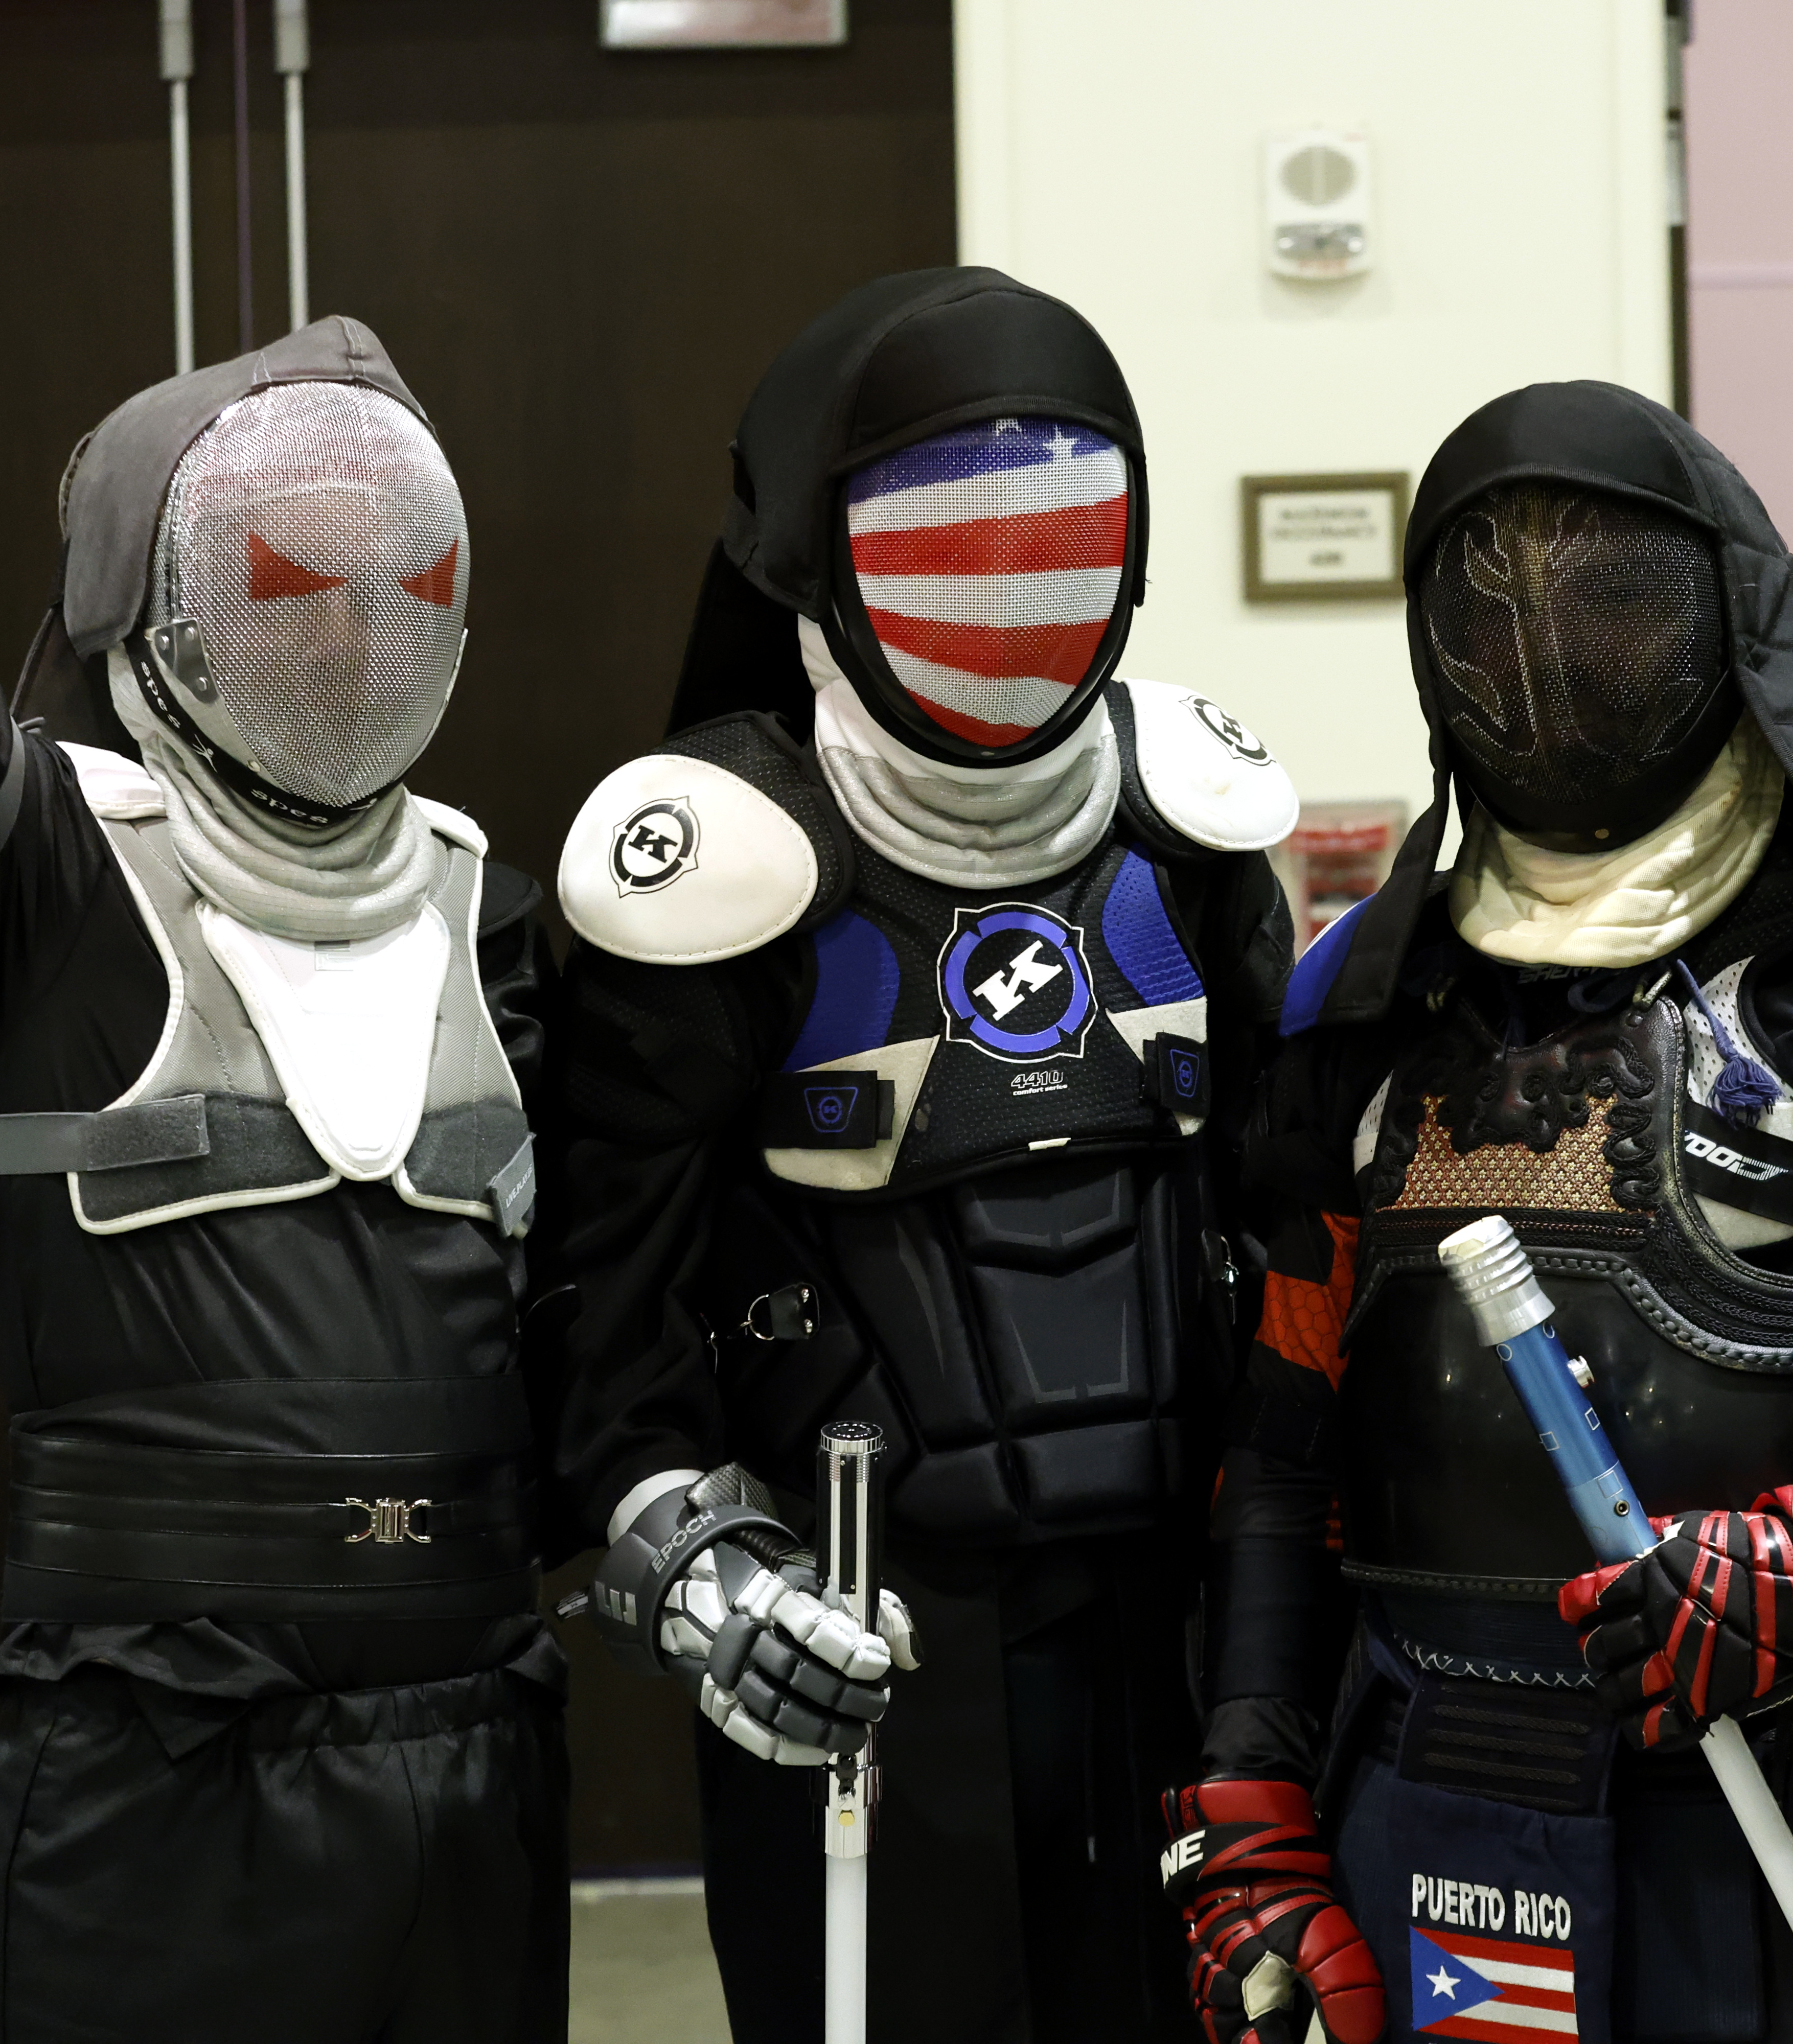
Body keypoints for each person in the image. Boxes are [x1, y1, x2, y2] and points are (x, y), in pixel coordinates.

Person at [1167, 379, 1793, 2044]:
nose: (1550, 657)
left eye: (1607, 599)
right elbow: (1288, 1439)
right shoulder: (1361, 1011)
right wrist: (1249, 1783)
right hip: (1433, 1789)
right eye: (1495, 610)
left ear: (1718, 617)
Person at [550, 265, 1300, 2043]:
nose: (1009, 580)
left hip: (1179, 1645)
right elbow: (598, 1327)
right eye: (946, 531)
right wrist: (712, 1582)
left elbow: (1288, 1234)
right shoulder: (722, 867)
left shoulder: (1191, 831)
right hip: (866, 1659)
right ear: (818, 558)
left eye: (1057, 527)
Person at [0, 318, 570, 2039]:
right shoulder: (34, 890)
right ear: (154, 608)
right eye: (288, 584)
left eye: (396, 585)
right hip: (157, 1768)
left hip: (477, 1754)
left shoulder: (502, 919)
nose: (351, 633)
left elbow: (626, 1312)